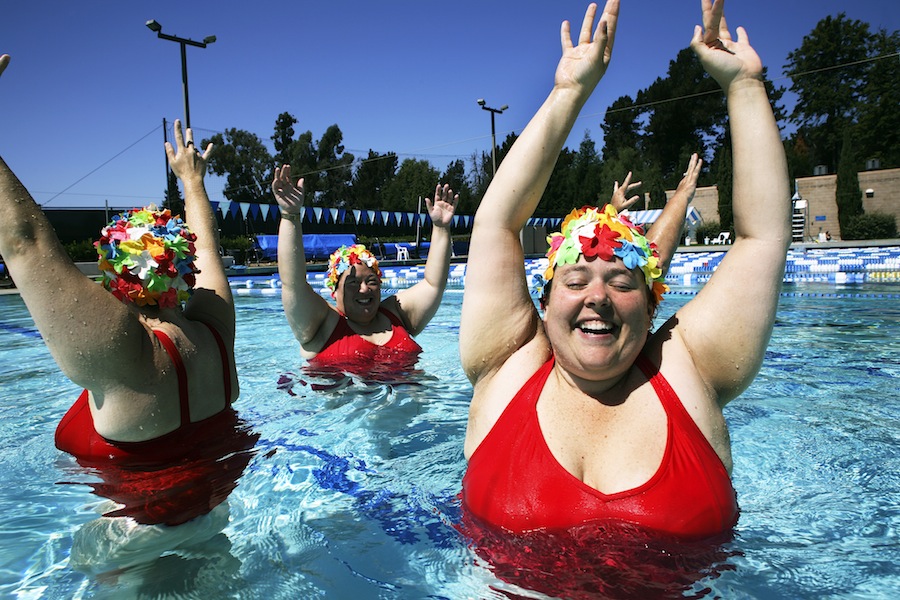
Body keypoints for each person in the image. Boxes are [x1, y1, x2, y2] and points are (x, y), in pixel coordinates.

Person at [460, 0, 789, 549]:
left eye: (620, 281)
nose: (598, 298)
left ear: (651, 300)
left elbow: (762, 239)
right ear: (544, 302)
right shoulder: (505, 367)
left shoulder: (692, 372)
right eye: (576, 279)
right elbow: (496, 221)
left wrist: (745, 89)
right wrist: (569, 93)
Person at [0, 54, 257, 566]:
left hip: (135, 550)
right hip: (215, 519)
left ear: (115, 276)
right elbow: (208, 249)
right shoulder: (213, 329)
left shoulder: (124, 351)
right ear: (179, 266)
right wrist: (191, 183)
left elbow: (27, 243)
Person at [272, 164, 458, 374]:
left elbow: (433, 284)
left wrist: (441, 228)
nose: (364, 289)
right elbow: (293, 284)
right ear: (335, 291)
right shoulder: (321, 324)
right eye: (352, 283)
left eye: (371, 281)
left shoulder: (396, 314)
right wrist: (290, 215)